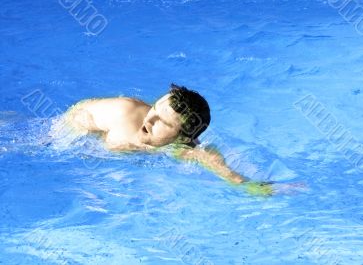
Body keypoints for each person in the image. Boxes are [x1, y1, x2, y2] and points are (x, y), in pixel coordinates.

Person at [58, 83, 274, 194]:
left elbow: (225, 171)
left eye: (163, 122)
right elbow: (77, 115)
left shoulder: (180, 149)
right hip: (79, 127)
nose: (150, 119)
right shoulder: (122, 113)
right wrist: (76, 137)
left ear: (182, 137)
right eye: (155, 108)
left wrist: (262, 188)